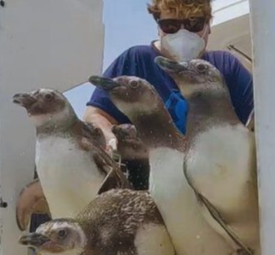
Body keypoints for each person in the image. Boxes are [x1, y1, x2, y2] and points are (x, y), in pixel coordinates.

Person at [85, 0, 253, 187]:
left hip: (217, 182)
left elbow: (260, 124)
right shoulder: (135, 60)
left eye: (193, 24)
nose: (183, 34)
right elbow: (95, 115)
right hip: (146, 188)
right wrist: (110, 139)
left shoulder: (226, 66)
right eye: (170, 26)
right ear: (158, 27)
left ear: (208, 25)